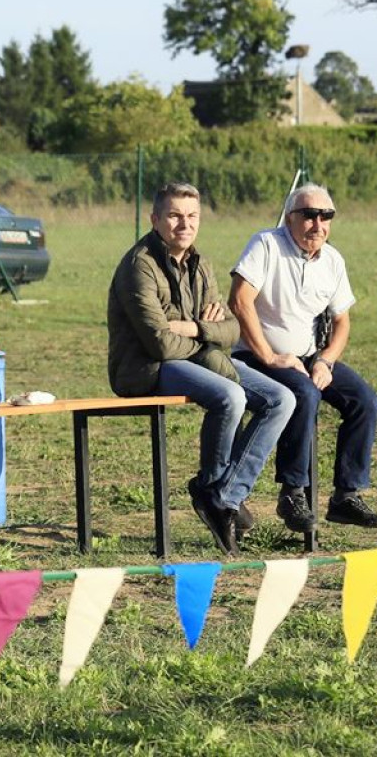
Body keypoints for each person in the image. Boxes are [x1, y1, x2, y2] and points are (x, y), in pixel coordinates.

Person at [107, 182, 294, 555]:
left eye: (191, 216)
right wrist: (208, 337)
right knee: (229, 394)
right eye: (175, 215)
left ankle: (223, 496)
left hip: (196, 358)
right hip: (147, 368)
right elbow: (158, 343)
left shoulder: (200, 263)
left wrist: (194, 328)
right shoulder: (138, 266)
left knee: (282, 398)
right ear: (155, 218)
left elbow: (232, 328)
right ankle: (214, 488)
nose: (184, 224)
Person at [230, 182, 377, 532]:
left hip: (311, 358)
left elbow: (342, 320)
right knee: (305, 394)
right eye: (309, 215)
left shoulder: (333, 259)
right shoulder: (266, 244)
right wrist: (268, 355)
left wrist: (326, 360)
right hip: (258, 357)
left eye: (326, 216)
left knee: (365, 401)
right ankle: (293, 492)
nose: (318, 224)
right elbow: (240, 300)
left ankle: (345, 495)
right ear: (290, 217)